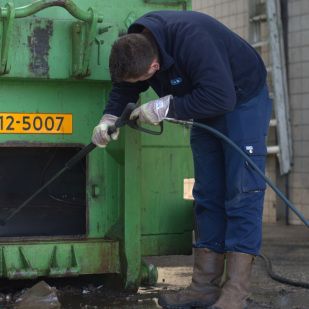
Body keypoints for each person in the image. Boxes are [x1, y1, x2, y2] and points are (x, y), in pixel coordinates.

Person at [92, 10, 272, 309]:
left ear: (155, 65)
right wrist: (108, 118)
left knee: (241, 192)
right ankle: (203, 287)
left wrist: (165, 107)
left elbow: (221, 97)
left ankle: (235, 293)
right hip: (203, 101)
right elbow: (127, 86)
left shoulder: (192, 40)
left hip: (240, 100)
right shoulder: (134, 45)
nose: (140, 83)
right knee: (207, 193)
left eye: (145, 78)